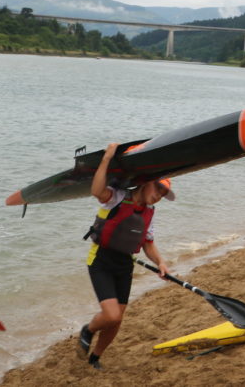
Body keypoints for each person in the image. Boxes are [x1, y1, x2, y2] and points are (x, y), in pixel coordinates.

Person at [81, 143, 172, 370]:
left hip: (124, 265)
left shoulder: (150, 212)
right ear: (146, 182)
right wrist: (107, 159)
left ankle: (95, 358)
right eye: (157, 189)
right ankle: (88, 330)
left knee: (117, 320)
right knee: (111, 316)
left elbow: (148, 243)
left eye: (163, 193)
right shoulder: (118, 197)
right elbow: (96, 191)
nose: (159, 196)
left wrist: (160, 262)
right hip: (101, 260)